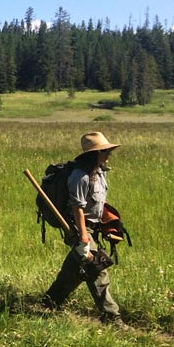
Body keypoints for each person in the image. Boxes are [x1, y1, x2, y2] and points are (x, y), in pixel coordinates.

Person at [42, 132, 124, 324]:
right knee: (96, 268)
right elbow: (77, 208)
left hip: (92, 227)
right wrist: (84, 239)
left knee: (74, 269)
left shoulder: (100, 173)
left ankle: (50, 300)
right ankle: (112, 317)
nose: (108, 155)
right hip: (78, 228)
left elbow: (98, 204)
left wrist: (107, 226)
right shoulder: (80, 177)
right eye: (104, 151)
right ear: (93, 154)